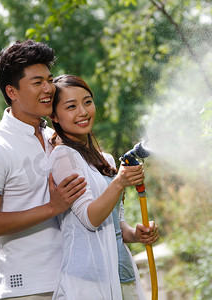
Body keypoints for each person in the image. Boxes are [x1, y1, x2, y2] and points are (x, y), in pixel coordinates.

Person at [0, 40, 87, 300]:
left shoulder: (55, 138)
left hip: (70, 279)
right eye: (37, 82)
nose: (49, 89)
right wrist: (52, 208)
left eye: (50, 79)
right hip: (23, 288)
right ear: (12, 91)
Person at [48, 74, 157, 300]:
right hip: (89, 281)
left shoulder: (105, 159)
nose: (83, 112)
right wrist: (119, 182)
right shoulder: (63, 156)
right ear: (55, 117)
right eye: (71, 106)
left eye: (87, 102)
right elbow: (90, 219)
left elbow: (116, 223)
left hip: (122, 275)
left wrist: (135, 235)